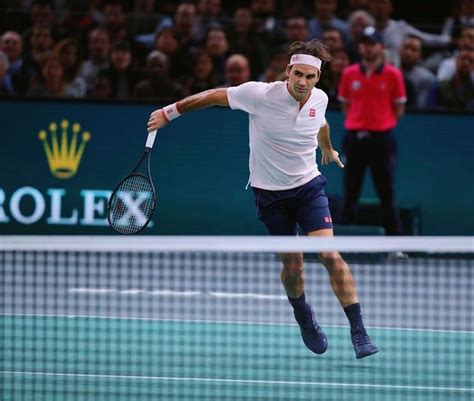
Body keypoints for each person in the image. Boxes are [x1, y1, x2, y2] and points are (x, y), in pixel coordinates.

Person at [147, 39, 379, 360]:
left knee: (329, 254)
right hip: (270, 195)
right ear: (288, 71)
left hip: (308, 188)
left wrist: (326, 147)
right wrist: (169, 112)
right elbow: (212, 96)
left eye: (310, 77)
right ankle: (303, 314)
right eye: (298, 74)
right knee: (293, 266)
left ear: (318, 78)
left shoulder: (320, 98)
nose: (303, 82)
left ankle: (359, 331)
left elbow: (321, 122)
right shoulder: (259, 94)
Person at [337, 26, 406, 235]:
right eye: (365, 44)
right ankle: (342, 244)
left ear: (381, 47)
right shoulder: (349, 73)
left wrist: (381, 122)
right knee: (350, 192)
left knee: (386, 192)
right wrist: (358, 121)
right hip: (354, 139)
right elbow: (345, 104)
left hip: (381, 139)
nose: (368, 48)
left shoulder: (393, 74)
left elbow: (399, 108)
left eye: (372, 44)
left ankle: (396, 243)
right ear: (360, 47)